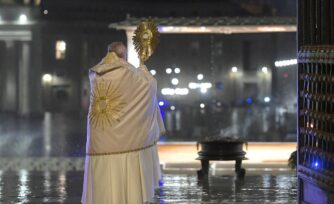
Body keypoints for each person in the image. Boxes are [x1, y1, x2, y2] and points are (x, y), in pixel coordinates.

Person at [81, 42, 165, 204]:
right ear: (123, 54)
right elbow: (148, 87)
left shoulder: (95, 73)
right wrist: (144, 71)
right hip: (124, 142)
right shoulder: (127, 71)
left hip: (99, 140)